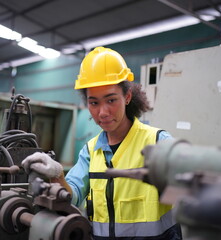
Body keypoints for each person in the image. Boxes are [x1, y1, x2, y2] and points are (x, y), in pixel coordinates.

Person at [23, 46, 182, 239]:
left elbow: (190, 194)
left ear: (128, 96)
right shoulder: (90, 151)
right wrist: (57, 175)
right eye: (94, 102)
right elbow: (71, 196)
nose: (103, 112)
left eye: (111, 100)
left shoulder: (158, 142)